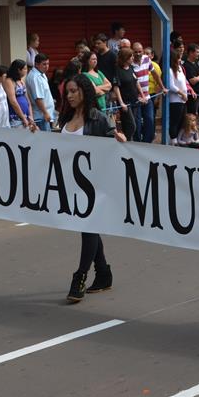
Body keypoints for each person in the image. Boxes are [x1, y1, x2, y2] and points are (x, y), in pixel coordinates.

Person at [59, 74, 126, 302]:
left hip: (93, 185)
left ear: (84, 92)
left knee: (88, 227)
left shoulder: (98, 119)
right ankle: (104, 273)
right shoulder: (65, 117)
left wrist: (119, 140)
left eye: (73, 91)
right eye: (67, 92)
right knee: (88, 227)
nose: (69, 96)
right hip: (70, 183)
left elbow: (112, 147)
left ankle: (80, 276)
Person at [113, 47, 142, 141]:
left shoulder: (131, 68)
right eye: (131, 56)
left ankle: (128, 142)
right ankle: (125, 140)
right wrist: (121, 103)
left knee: (130, 125)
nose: (133, 58)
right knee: (132, 126)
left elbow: (136, 81)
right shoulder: (117, 70)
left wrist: (142, 95)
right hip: (125, 103)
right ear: (125, 58)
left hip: (134, 100)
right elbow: (116, 87)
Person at [27, 53, 56, 132]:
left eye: (48, 64)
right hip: (41, 116)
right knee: (45, 141)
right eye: (44, 64)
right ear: (36, 64)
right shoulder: (35, 77)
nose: (47, 66)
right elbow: (38, 98)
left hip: (45, 115)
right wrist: (45, 113)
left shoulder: (41, 74)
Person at [3, 59, 35, 131]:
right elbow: (13, 101)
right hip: (16, 118)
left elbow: (28, 100)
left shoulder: (21, 81)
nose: (26, 70)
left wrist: (31, 116)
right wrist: (23, 118)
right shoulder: (9, 81)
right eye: (24, 69)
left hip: (26, 116)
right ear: (18, 70)